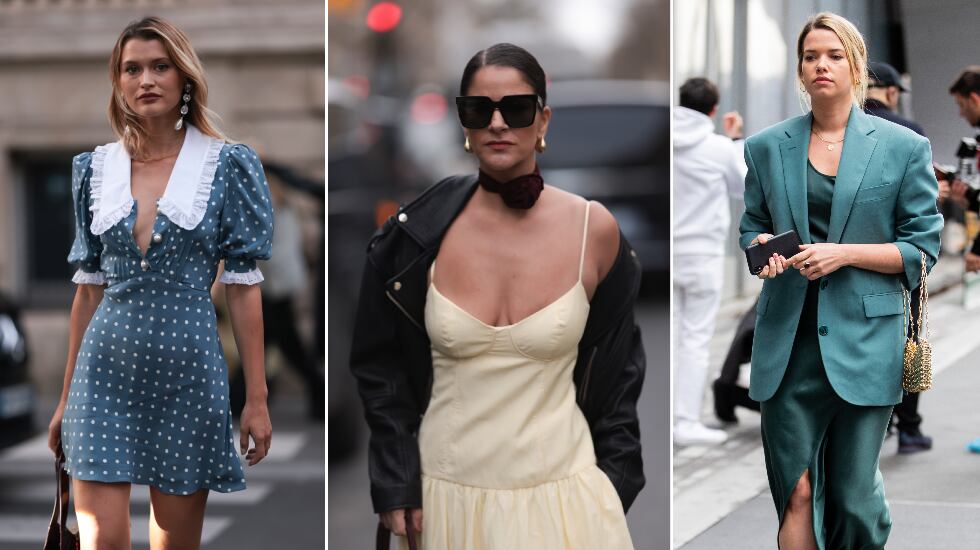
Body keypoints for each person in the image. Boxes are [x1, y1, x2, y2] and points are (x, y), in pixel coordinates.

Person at [349, 43, 644, 549]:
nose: (498, 123)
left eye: (517, 108)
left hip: (569, 507)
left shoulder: (592, 230)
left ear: (543, 118)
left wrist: (611, 491)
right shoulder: (414, 237)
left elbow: (620, 383)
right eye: (479, 109)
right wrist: (397, 483)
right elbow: (381, 371)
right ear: (463, 121)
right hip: (446, 507)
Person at [48, 16, 274, 549]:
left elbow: (243, 288)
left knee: (174, 544)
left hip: (188, 377)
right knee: (101, 539)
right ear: (119, 83)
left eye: (159, 66)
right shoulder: (94, 169)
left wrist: (258, 398)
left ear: (184, 79)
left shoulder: (228, 166)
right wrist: (63, 399)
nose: (145, 79)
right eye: (131, 69)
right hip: (102, 375)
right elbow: (87, 291)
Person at [739, 13, 942, 549]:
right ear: (800, 71)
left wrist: (843, 254)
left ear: (856, 66)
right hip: (787, 344)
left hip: (867, 339)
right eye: (811, 57)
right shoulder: (765, 147)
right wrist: (760, 251)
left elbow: (922, 250)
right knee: (796, 492)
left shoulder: (903, 147)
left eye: (833, 55)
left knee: (852, 498)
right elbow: (753, 228)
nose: (821, 65)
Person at [864, 60, 937, 454]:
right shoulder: (910, 132)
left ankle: (878, 424)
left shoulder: (838, 129)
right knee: (908, 340)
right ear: (892, 92)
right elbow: (924, 206)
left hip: (849, 256)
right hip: (899, 257)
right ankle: (909, 427)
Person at [673, 77, 746, 445]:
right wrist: (734, 140)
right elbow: (743, 187)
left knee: (668, 338)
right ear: (714, 111)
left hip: (666, 252)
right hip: (702, 254)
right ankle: (685, 422)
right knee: (695, 339)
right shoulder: (717, 148)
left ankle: (666, 418)